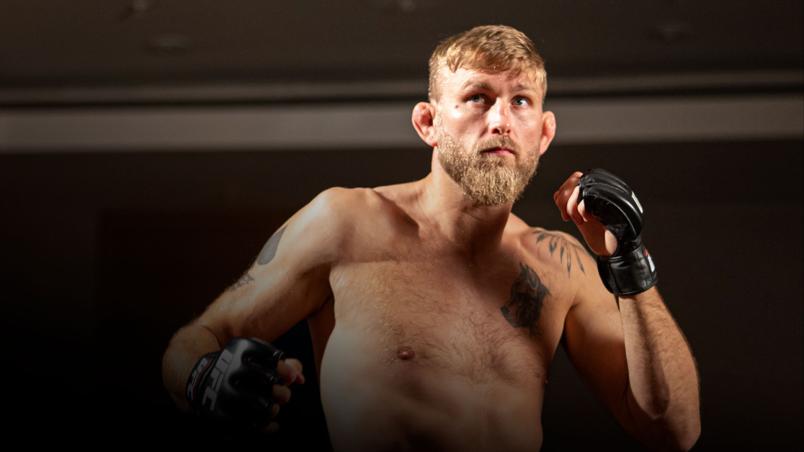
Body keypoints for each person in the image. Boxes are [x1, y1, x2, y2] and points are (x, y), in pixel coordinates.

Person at [162, 24, 700, 451]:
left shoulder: (560, 265)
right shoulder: (345, 221)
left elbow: (673, 431)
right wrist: (204, 379)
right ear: (428, 123)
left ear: (545, 132)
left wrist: (627, 258)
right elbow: (195, 339)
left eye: (520, 102)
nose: (501, 121)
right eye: (477, 97)